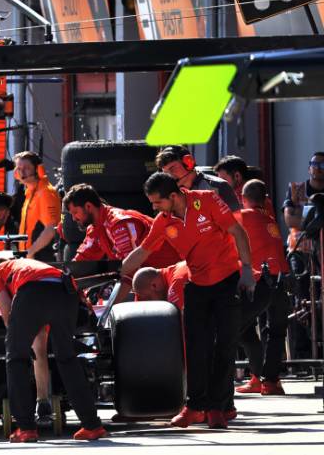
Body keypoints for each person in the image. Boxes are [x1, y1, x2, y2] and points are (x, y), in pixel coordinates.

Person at [121, 171, 256, 429]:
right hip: (197, 285)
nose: (154, 208)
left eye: (157, 202)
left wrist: (247, 270)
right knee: (195, 348)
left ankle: (217, 408)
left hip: (227, 280)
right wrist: (121, 269)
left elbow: (237, 231)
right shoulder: (163, 221)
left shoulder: (206, 200)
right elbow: (143, 251)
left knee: (225, 345)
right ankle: (195, 407)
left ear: (173, 196)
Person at [0, 258, 107, 442]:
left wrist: (18, 340)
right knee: (67, 358)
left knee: (16, 358)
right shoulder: (26, 265)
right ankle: (92, 426)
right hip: (66, 290)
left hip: (34, 292)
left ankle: (26, 428)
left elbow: (7, 308)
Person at [234, 180, 290, 396]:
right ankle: (270, 381)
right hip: (279, 280)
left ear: (243, 198)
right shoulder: (270, 220)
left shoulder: (242, 216)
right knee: (276, 332)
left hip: (258, 281)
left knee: (238, 327)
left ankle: (259, 376)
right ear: (265, 199)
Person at [65, 184, 179, 267]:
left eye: (75, 212)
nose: (74, 218)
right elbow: (82, 260)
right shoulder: (95, 228)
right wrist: (64, 274)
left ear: (88, 206)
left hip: (172, 272)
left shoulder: (119, 223)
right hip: (151, 278)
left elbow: (130, 268)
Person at [156, 145, 240, 211]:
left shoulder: (219, 186)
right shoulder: (170, 195)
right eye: (165, 172)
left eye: (173, 168)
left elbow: (236, 220)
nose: (169, 175)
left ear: (188, 162)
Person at [12, 151, 60, 260]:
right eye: (19, 168)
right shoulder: (30, 193)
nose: (22, 172)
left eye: (27, 168)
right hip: (32, 258)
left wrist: (31, 251)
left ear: (38, 169)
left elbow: (51, 229)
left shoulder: (45, 192)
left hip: (42, 258)